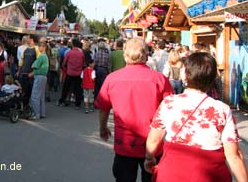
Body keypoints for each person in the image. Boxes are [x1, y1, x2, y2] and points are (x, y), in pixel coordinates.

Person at [144, 52, 248, 182]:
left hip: (172, 173)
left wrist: (149, 157)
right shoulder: (222, 110)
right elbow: (233, 155)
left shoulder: (169, 103)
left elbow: (154, 139)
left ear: (185, 74)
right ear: (213, 77)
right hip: (210, 174)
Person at [96, 37, 173, 182]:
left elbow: (103, 108)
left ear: (125, 55)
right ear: (146, 54)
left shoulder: (112, 79)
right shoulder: (159, 79)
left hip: (124, 143)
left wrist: (103, 128)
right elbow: (171, 109)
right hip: (153, 142)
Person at [58, 38, 84, 109]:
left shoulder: (69, 53)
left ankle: (62, 100)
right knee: (77, 89)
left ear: (72, 44)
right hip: (78, 73)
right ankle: (77, 104)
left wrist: (65, 69)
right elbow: (83, 63)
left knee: (66, 88)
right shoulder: (81, 53)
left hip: (69, 73)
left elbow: (64, 63)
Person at [16, 34, 39, 107]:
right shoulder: (26, 49)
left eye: (29, 38)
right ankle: (24, 106)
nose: (27, 40)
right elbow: (21, 61)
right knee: (24, 91)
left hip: (31, 74)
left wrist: (34, 72)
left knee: (30, 91)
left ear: (32, 40)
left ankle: (29, 106)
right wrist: (19, 71)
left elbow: (38, 61)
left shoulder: (37, 49)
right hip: (23, 73)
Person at [28, 41, 49, 120]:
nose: (38, 48)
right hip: (44, 77)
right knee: (41, 96)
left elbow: (34, 65)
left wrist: (32, 72)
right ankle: (41, 113)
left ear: (43, 47)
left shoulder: (41, 56)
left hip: (39, 77)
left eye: (39, 46)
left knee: (34, 96)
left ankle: (36, 114)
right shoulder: (45, 56)